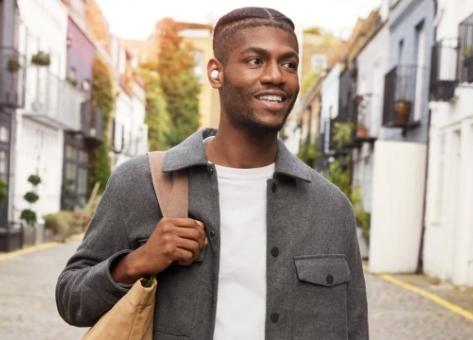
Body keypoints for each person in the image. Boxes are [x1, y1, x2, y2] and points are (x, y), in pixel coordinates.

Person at [56, 7, 368, 340]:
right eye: (255, 61)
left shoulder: (330, 208)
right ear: (216, 74)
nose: (276, 75)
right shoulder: (142, 182)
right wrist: (138, 261)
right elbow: (71, 300)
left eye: (288, 64)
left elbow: (355, 329)